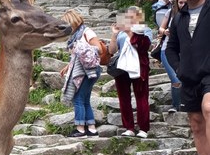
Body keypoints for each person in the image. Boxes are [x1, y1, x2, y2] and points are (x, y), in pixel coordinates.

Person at [165, 0, 210, 155]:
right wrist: (179, 68)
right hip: (189, 76)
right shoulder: (179, 18)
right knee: (195, 121)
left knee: (208, 108)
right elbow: (170, 48)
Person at [108, 7, 153, 138]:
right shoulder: (121, 32)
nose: (129, 19)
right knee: (124, 98)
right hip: (122, 67)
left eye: (133, 16)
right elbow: (112, 50)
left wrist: (130, 32)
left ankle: (143, 128)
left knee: (141, 97)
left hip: (139, 66)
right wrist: (115, 34)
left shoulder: (145, 30)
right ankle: (129, 127)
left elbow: (144, 47)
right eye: (128, 16)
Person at [60, 10, 102, 138]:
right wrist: (68, 67)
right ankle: (91, 128)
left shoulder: (86, 32)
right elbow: (76, 56)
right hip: (82, 69)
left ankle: (80, 129)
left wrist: (82, 47)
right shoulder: (74, 36)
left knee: (78, 98)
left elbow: (98, 49)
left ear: (72, 22)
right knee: (84, 99)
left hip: (88, 71)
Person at [157, 0, 185, 113]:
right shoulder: (171, 13)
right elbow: (160, 29)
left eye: (185, 2)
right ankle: (176, 105)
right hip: (167, 50)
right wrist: (166, 31)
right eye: (181, 2)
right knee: (176, 78)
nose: (183, 5)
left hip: (185, 52)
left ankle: (184, 104)